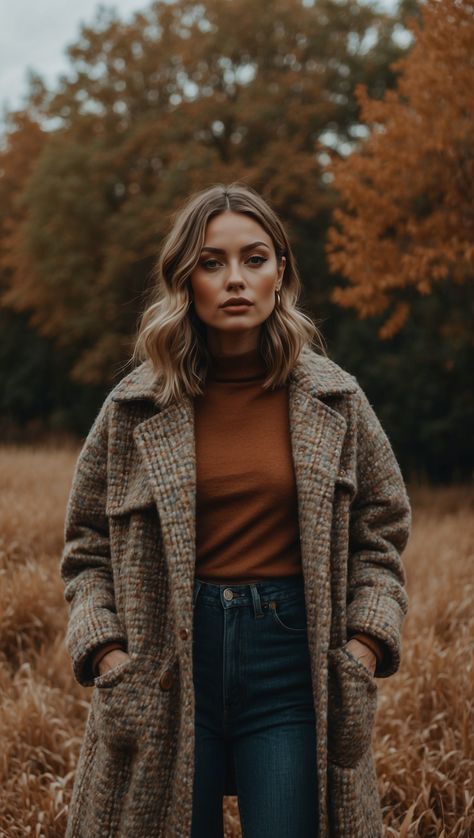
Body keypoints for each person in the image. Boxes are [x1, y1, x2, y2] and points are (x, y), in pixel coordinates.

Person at [60, 182, 411, 838]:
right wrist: (108, 654)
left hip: (291, 667)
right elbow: (85, 549)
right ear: (185, 280)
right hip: (162, 664)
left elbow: (382, 531)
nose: (235, 280)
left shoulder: (337, 401)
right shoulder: (134, 408)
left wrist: (363, 646)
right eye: (212, 262)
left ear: (281, 273)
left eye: (254, 259)